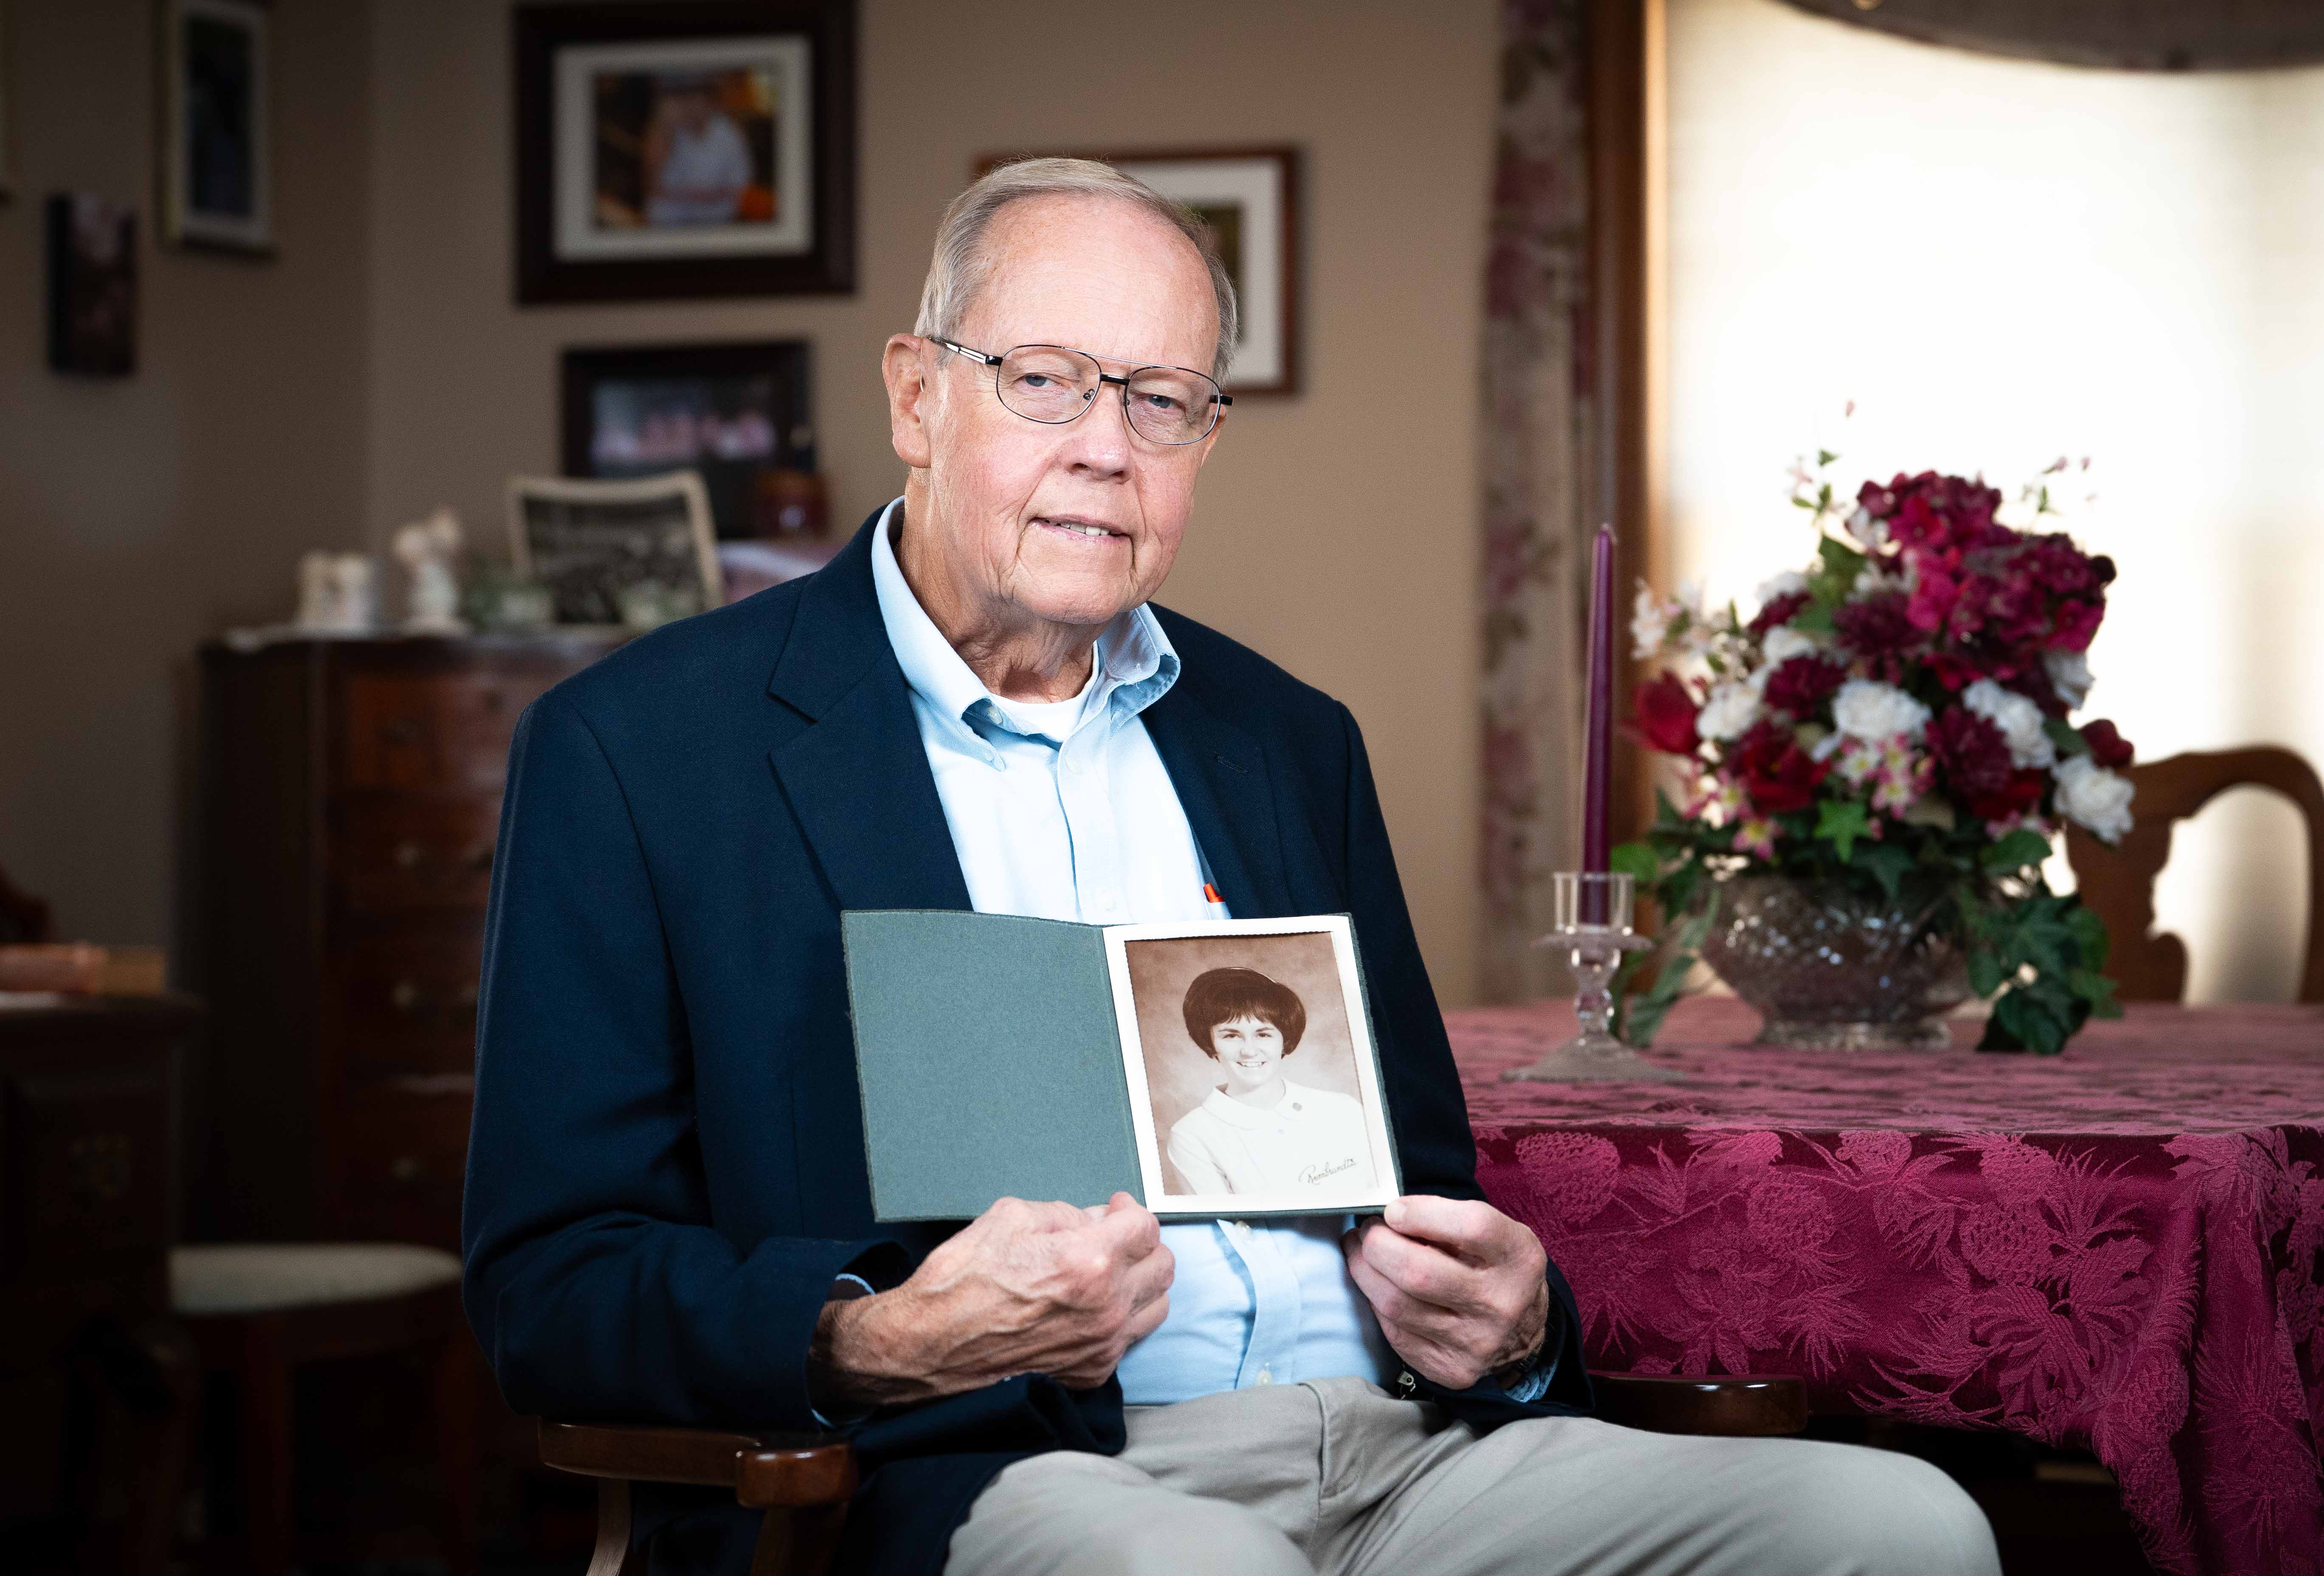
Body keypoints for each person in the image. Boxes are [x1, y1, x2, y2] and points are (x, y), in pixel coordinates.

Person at [462, 158, 2002, 1576]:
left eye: (1161, 401)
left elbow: (1427, 1191)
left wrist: (1513, 1325)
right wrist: (873, 1333)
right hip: (986, 1473)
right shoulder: (643, 749)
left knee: (1897, 1525)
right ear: (918, 395)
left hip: (1406, 1455)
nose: (1103, 451)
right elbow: (553, 1284)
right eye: (1046, 380)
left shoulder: (1288, 741)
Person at [1165, 966, 1378, 1199]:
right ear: (1210, 1044)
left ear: (1284, 1040)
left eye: (1263, 1034)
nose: (1249, 1051)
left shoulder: (1344, 1109)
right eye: (1231, 1035)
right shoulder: (1191, 1135)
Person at [639, 74, 751, 227]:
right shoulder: (670, 129)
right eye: (685, 99)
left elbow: (740, 185)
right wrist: (664, 129)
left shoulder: (728, 132)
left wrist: (698, 196)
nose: (690, 106)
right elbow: (652, 186)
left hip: (715, 216)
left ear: (711, 102)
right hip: (674, 216)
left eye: (697, 99)